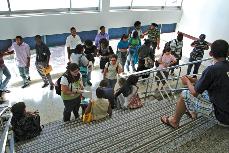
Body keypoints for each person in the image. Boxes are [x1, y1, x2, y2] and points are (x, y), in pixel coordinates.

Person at [161, 39, 229, 128]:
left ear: (210, 54)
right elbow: (212, 82)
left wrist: (187, 81)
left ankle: (174, 121)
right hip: (225, 108)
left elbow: (194, 93)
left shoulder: (212, 69)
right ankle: (192, 112)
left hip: (222, 117)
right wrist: (193, 81)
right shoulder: (224, 67)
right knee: (200, 89)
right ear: (227, 53)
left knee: (185, 94)